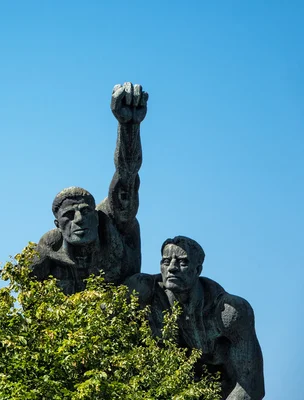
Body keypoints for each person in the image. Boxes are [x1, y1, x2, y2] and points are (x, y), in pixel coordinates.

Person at [30, 82, 147, 294]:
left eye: (85, 212)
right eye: (69, 215)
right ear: (58, 225)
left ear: (95, 215)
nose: (79, 219)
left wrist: (129, 125)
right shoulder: (45, 255)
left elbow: (127, 175)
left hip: (124, 313)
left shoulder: (113, 223)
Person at [125, 236, 264, 400]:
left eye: (182, 262)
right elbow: (103, 318)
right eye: (166, 261)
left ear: (198, 270)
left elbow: (251, 386)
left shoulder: (229, 312)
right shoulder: (143, 290)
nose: (172, 268)